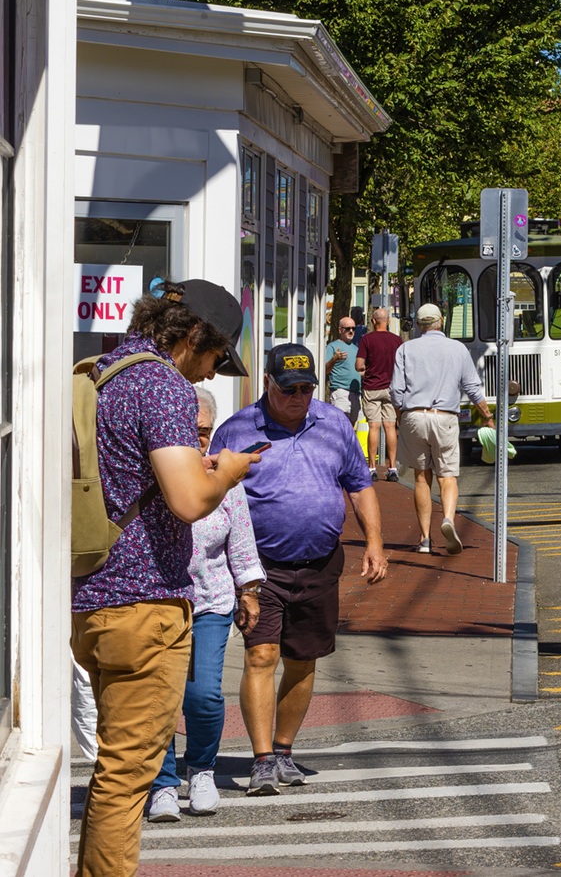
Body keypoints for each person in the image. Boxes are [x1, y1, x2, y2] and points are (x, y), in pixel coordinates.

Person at [72, 281, 262, 877]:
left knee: (113, 770)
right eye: (213, 359)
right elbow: (187, 500)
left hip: (91, 596)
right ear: (191, 340)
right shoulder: (163, 386)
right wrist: (226, 471)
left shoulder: (101, 373)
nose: (209, 377)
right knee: (128, 778)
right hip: (144, 604)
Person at [213, 343, 386, 797]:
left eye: (306, 388)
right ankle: (263, 758)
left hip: (320, 563)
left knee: (303, 661)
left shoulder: (334, 424)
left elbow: (359, 485)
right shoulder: (236, 430)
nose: (298, 396)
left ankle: (285, 750)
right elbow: (216, 497)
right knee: (261, 655)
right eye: (288, 388)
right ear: (267, 383)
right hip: (259, 566)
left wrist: (374, 543)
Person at [147, 387, 266, 822]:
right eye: (188, 431)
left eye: (203, 432)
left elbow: (241, 537)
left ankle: (200, 769)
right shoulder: (152, 471)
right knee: (159, 696)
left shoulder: (223, 474)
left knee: (202, 696)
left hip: (210, 601)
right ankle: (160, 784)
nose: (197, 441)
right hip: (158, 598)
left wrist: (249, 590)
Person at [391, 302, 494, 555]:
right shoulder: (457, 349)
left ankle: (425, 539)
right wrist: (487, 416)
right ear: (441, 322)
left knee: (420, 477)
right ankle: (447, 518)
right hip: (445, 417)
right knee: (447, 476)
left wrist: (402, 414)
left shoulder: (406, 349)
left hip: (414, 415)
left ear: (418, 325)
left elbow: (395, 390)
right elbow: (472, 388)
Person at [355, 308, 403, 481]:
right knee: (390, 427)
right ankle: (392, 468)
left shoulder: (367, 339)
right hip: (391, 388)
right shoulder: (397, 341)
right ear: (388, 321)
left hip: (372, 387)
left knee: (373, 427)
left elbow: (359, 365)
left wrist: (368, 368)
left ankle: (372, 468)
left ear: (374, 321)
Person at [324, 316, 361, 427]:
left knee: (352, 430)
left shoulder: (356, 349)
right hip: (340, 393)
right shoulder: (332, 347)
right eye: (347, 328)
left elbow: (359, 371)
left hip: (356, 394)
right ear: (340, 330)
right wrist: (334, 359)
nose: (351, 331)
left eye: (353, 329)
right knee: (339, 427)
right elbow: (324, 370)